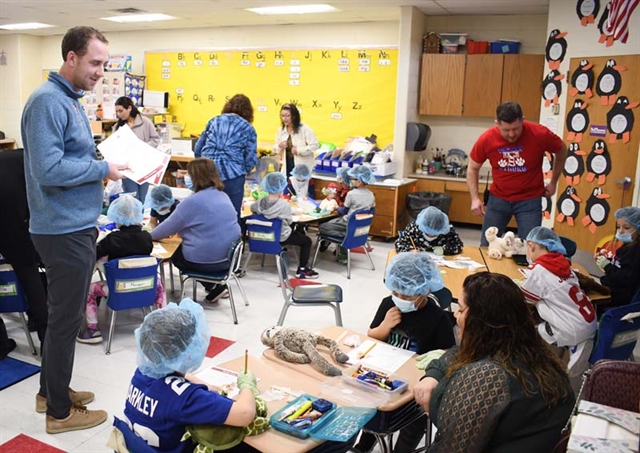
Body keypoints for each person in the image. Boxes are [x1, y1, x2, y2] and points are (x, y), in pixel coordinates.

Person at [22, 26, 126, 433]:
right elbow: (48, 171)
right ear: (71, 58)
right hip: (62, 230)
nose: (101, 71)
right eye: (95, 63)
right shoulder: (49, 101)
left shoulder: (66, 99)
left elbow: (66, 157)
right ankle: (60, 414)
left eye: (104, 63)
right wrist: (101, 168)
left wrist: (99, 159)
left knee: (62, 317)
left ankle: (51, 392)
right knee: (66, 321)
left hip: (71, 224)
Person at [413, 272, 575, 452]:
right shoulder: (528, 350)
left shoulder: (485, 378)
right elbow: (459, 352)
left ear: (479, 320)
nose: (456, 316)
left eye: (460, 309)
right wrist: (433, 376)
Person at [122, 298, 260, 453]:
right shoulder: (188, 398)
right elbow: (244, 414)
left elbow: (168, 384)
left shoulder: (142, 373)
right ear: (188, 353)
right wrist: (247, 385)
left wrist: (202, 384)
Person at [355, 252, 455, 453]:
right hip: (383, 375)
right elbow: (372, 336)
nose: (399, 299)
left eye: (407, 296)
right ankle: (364, 445)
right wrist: (385, 325)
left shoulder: (437, 318)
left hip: (415, 386)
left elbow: (447, 354)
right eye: (396, 293)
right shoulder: (388, 304)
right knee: (373, 410)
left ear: (425, 290)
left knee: (414, 422)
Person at [466, 102, 568, 246]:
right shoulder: (487, 138)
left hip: (529, 201)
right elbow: (472, 168)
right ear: (497, 124)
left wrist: (553, 181)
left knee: (530, 247)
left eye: (516, 128)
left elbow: (561, 149)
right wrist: (475, 198)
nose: (512, 134)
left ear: (522, 120)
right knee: (487, 245)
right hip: (498, 200)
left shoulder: (539, 133)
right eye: (506, 130)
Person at [78, 195, 166, 344]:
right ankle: (163, 323)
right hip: (146, 287)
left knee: (89, 290)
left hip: (119, 289)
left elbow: (93, 256)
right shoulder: (146, 238)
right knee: (159, 283)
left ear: (115, 217)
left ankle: (93, 330)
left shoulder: (111, 240)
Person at [151, 158, 241, 302]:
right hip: (230, 260)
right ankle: (214, 287)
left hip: (208, 262)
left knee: (175, 253)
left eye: (189, 174)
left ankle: (213, 286)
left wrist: (144, 236)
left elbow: (164, 229)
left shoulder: (193, 201)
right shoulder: (223, 196)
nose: (186, 178)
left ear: (196, 177)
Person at [520, 227, 596, 377]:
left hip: (570, 327)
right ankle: (576, 344)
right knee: (551, 300)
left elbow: (525, 298)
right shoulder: (566, 265)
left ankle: (540, 368)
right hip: (590, 321)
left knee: (529, 326)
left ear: (531, 246)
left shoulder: (539, 270)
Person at [0, 149, 48, 348]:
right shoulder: (24, 158)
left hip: (13, 223)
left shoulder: (17, 158)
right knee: (31, 278)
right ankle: (46, 341)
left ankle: (1, 344)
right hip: (18, 225)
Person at [194, 94, 258, 218]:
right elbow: (250, 158)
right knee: (231, 215)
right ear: (248, 112)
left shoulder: (213, 121)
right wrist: (245, 169)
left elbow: (198, 148)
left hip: (207, 173)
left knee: (205, 213)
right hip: (233, 176)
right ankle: (230, 238)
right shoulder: (248, 128)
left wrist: (202, 166)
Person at [250, 172, 319, 279]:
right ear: (281, 187)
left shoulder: (260, 202)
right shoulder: (284, 205)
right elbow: (289, 222)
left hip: (263, 236)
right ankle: (302, 269)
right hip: (281, 236)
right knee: (306, 241)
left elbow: (252, 208)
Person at [318, 165, 376, 263]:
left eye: (352, 178)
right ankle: (350, 235)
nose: (350, 180)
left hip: (347, 223)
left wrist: (336, 207)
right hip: (360, 227)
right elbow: (372, 211)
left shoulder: (351, 194)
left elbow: (343, 211)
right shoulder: (371, 194)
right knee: (333, 223)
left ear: (359, 181)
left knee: (323, 226)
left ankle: (346, 236)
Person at [114, 96, 160, 203]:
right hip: (128, 168)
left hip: (144, 166)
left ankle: (140, 219)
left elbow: (155, 139)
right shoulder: (117, 127)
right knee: (132, 199)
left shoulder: (145, 122)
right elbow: (115, 148)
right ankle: (133, 220)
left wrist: (142, 148)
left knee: (142, 199)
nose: (119, 114)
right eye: (117, 112)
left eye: (121, 111)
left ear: (129, 108)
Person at [597, 207, 640, 307]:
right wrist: (608, 260)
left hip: (620, 297)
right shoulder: (627, 245)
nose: (620, 231)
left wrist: (607, 266)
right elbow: (620, 264)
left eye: (626, 228)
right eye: (618, 226)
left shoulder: (636, 250)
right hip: (613, 288)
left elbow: (625, 278)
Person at [395, 206, 463, 255]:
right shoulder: (413, 229)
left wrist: (444, 249)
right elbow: (399, 243)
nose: (431, 236)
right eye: (427, 233)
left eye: (435, 234)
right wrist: (410, 250)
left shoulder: (448, 231)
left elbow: (459, 245)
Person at [274, 103, 319, 177]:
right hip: (287, 165)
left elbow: (315, 145)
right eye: (282, 116)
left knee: (299, 186)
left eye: (287, 116)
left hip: (302, 165)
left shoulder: (305, 129)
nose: (285, 118)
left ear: (294, 116)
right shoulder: (280, 130)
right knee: (288, 186)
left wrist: (299, 150)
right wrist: (279, 146)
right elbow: (275, 149)